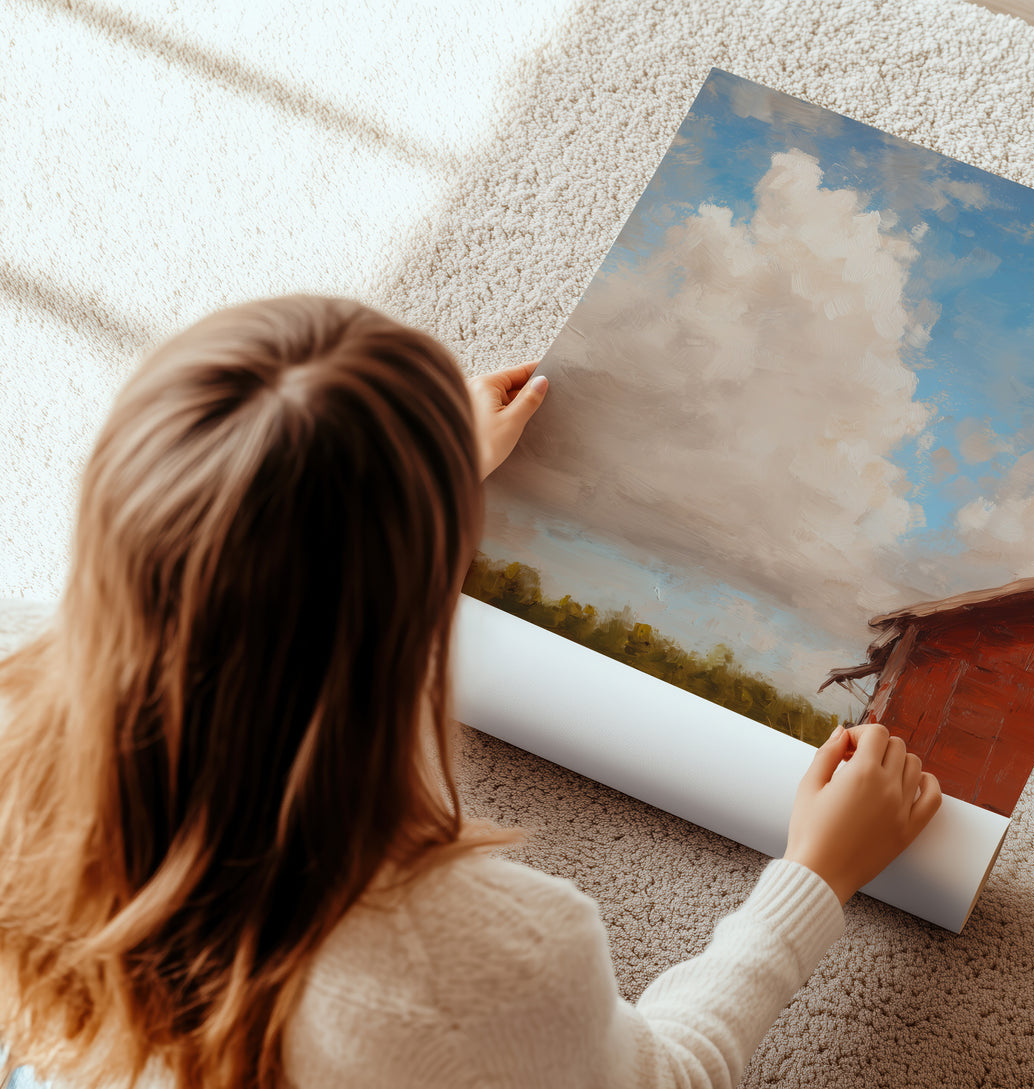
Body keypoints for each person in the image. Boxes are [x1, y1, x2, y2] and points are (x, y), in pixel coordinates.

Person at [0, 295, 942, 1089]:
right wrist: (815, 875)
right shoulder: (477, 966)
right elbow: (668, 1076)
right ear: (415, 602)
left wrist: (420, 481)